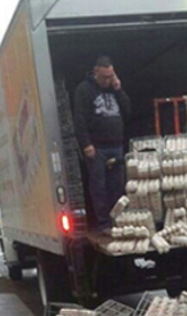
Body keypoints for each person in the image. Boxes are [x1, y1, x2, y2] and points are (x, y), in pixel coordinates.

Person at [74, 56, 131, 231]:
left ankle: (118, 220)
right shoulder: (84, 90)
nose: (107, 80)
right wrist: (86, 144)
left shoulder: (114, 89)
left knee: (117, 185)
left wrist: (119, 90)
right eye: (104, 77)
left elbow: (127, 111)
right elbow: (80, 119)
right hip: (97, 147)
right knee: (99, 186)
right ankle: (104, 223)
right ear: (96, 71)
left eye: (110, 76)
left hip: (116, 145)